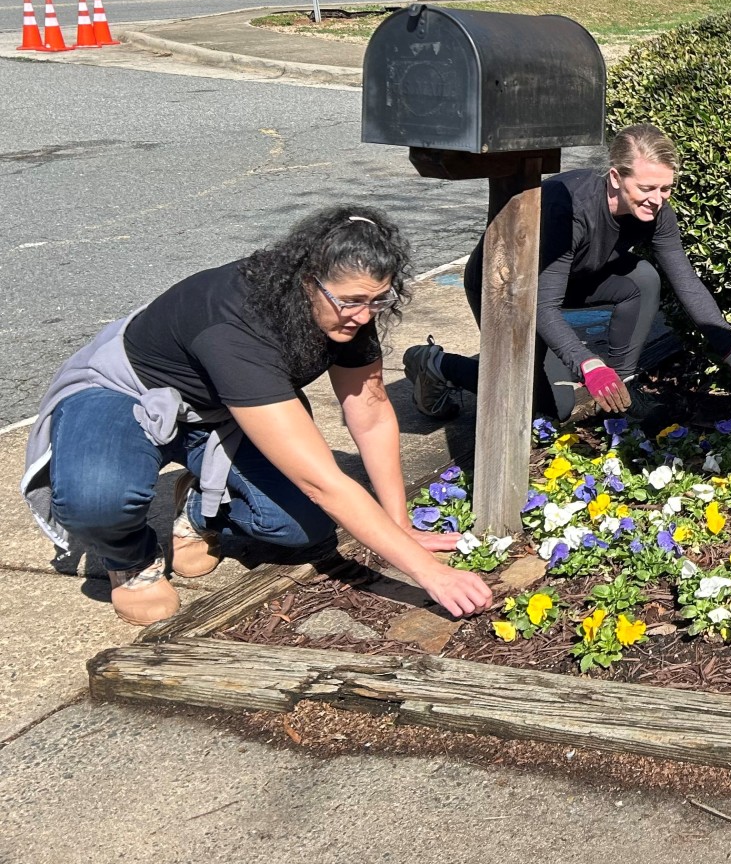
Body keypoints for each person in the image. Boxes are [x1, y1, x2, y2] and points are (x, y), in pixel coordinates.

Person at [21, 209, 495, 626]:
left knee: (301, 530)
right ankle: (130, 559)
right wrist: (427, 573)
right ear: (306, 279)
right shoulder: (237, 323)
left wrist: (399, 525)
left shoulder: (350, 317)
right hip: (124, 395)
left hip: (223, 413)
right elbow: (321, 482)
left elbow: (369, 413)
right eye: (351, 300)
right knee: (97, 497)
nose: (365, 316)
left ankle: (197, 510)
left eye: (378, 301)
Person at [404, 122, 731, 424]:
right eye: (646, 188)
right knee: (547, 407)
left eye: (665, 188)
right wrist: (588, 364)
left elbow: (686, 281)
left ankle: (624, 388)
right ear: (615, 178)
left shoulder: (656, 212)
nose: (657, 199)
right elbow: (541, 305)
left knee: (643, 279)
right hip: (507, 287)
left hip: (568, 284)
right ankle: (436, 363)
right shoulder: (569, 210)